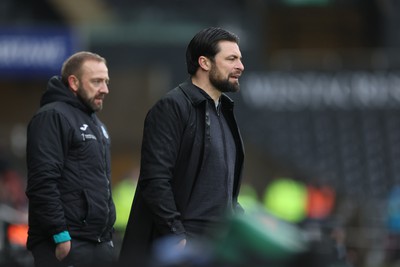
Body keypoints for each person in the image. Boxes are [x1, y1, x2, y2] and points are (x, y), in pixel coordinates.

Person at [119, 27, 245, 265]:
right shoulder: (172, 107)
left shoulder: (225, 112)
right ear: (204, 63)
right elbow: (155, 179)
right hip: (183, 247)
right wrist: (176, 234)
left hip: (218, 244)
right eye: (231, 59)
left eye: (240, 58)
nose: (240, 66)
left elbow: (226, 189)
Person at [26, 51, 116, 267]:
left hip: (99, 243)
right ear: (74, 83)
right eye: (96, 81)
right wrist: (60, 235)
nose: (105, 89)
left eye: (105, 81)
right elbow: (42, 182)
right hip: (66, 244)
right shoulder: (52, 116)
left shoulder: (97, 124)